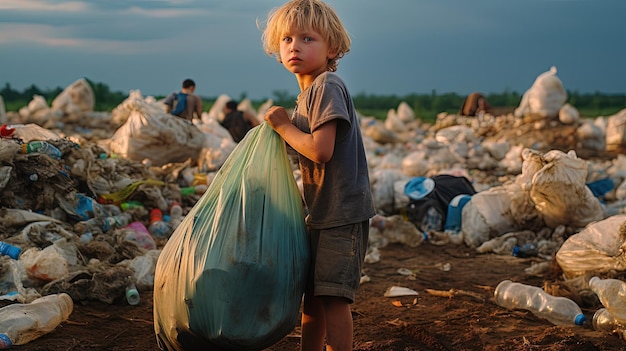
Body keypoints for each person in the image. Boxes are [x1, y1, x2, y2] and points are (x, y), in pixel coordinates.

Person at [260, 1, 376, 350]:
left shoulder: (326, 85)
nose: (295, 46)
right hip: (322, 212)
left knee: (334, 298)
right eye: (287, 39)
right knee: (313, 296)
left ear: (333, 49)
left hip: (342, 213)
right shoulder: (306, 95)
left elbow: (320, 150)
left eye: (308, 38)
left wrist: (282, 126)